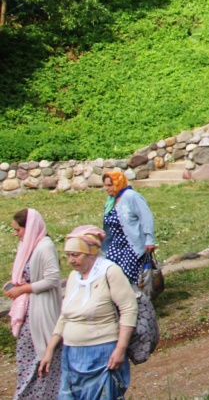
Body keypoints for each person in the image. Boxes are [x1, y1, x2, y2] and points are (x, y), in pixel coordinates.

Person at [39, 226, 136, 399]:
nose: (70, 260)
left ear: (91, 254)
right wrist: (50, 350)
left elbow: (128, 309)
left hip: (102, 353)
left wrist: (120, 349)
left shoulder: (110, 272)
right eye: (68, 255)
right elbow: (65, 316)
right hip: (72, 353)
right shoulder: (73, 277)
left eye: (75, 255)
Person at [7, 209, 62, 400]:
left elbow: (52, 279)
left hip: (41, 312)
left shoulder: (45, 247)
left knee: (41, 361)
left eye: (18, 230)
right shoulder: (28, 246)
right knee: (27, 361)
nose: (16, 234)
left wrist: (23, 289)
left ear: (29, 228)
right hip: (29, 314)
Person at [100, 169, 155, 286]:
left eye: (110, 185)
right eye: (105, 185)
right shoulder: (111, 200)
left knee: (129, 278)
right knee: (112, 276)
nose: (107, 188)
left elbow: (146, 217)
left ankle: (137, 301)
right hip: (116, 245)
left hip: (131, 245)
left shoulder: (132, 197)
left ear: (118, 183)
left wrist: (149, 239)